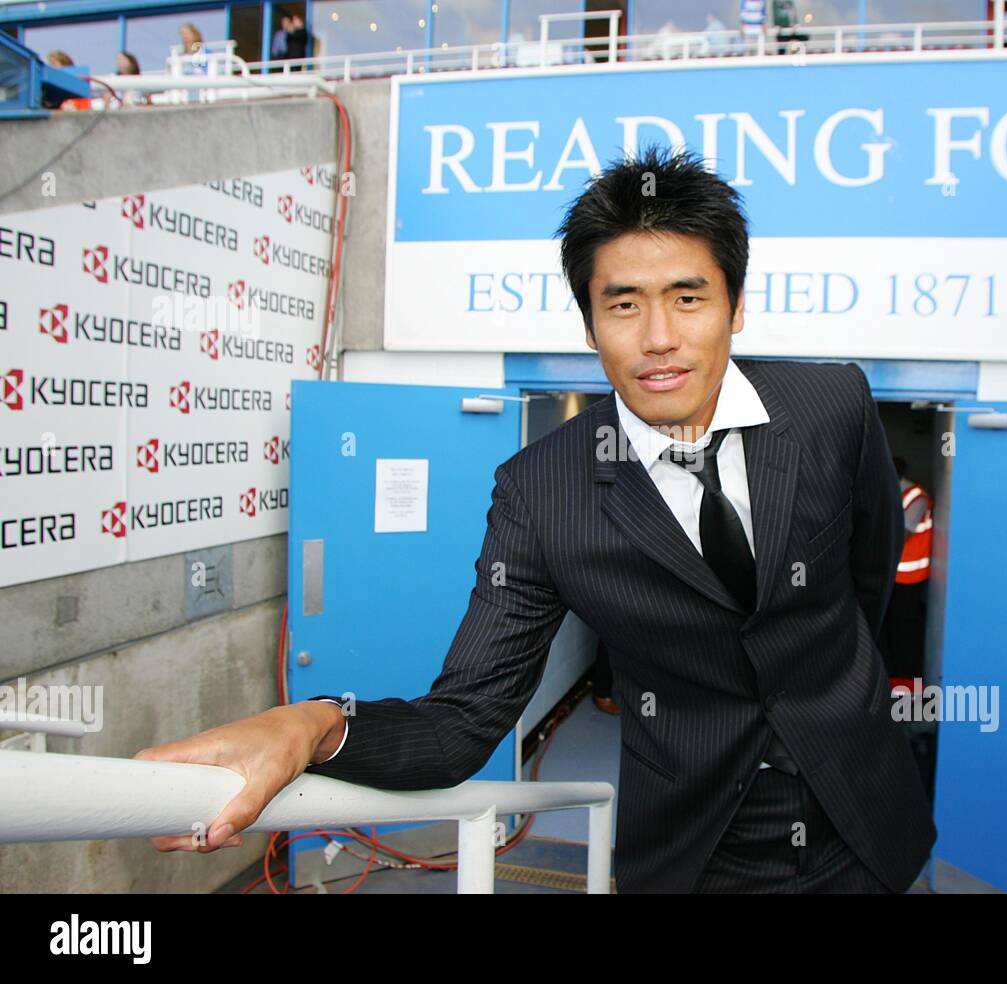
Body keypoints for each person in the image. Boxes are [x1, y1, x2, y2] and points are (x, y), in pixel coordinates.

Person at [135, 145, 937, 894]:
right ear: (589, 327)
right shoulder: (540, 492)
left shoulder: (833, 404)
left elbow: (869, 575)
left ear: (734, 305)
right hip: (697, 852)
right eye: (623, 304)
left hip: (866, 819)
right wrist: (313, 726)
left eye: (688, 298)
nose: (659, 339)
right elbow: (460, 723)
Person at [879, 457, 931, 684]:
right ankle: (891, 676)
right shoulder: (891, 493)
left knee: (905, 627)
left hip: (909, 576)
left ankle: (908, 680)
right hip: (891, 573)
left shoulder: (916, 496)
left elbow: (901, 535)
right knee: (887, 625)